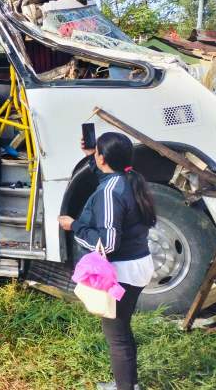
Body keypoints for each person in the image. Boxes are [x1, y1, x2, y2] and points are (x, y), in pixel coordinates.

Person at [58, 132, 156, 390]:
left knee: (117, 337)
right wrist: (92, 157)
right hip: (139, 264)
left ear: (104, 158)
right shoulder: (129, 179)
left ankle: (124, 388)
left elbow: (108, 244)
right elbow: (106, 176)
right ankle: (129, 384)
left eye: (98, 154)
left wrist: (75, 226)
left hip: (122, 272)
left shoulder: (110, 192)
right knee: (122, 329)